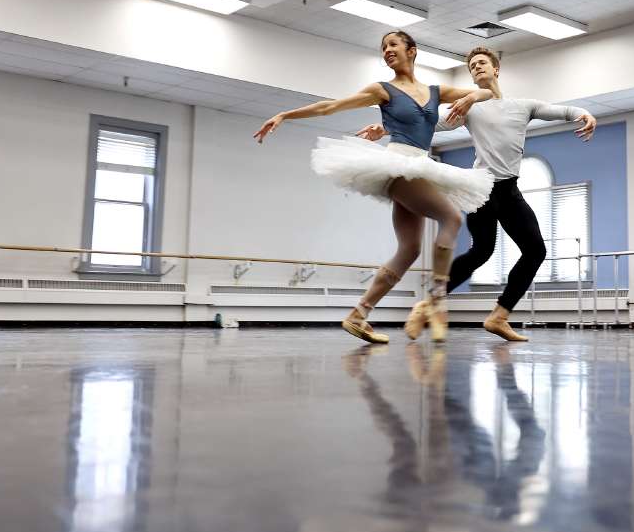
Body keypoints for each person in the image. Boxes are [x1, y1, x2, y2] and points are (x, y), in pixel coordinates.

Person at [254, 31, 495, 344]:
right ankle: (437, 302)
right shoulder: (382, 90)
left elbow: (488, 92)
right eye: (383, 47)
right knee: (452, 219)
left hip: (420, 167)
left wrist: (473, 96)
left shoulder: (435, 91)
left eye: (393, 45)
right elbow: (331, 106)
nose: (387, 51)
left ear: (412, 50)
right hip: (398, 167)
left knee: (409, 250)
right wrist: (285, 114)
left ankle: (358, 315)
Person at [359, 46, 596, 341]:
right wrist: (385, 128)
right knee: (482, 252)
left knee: (536, 251)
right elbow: (429, 124)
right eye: (472, 66)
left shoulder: (523, 105)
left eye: (482, 63)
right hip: (482, 189)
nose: (477, 68)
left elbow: (561, 111)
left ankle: (499, 316)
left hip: (509, 190)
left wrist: (584, 113)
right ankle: (427, 304)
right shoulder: (470, 107)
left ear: (496, 69)